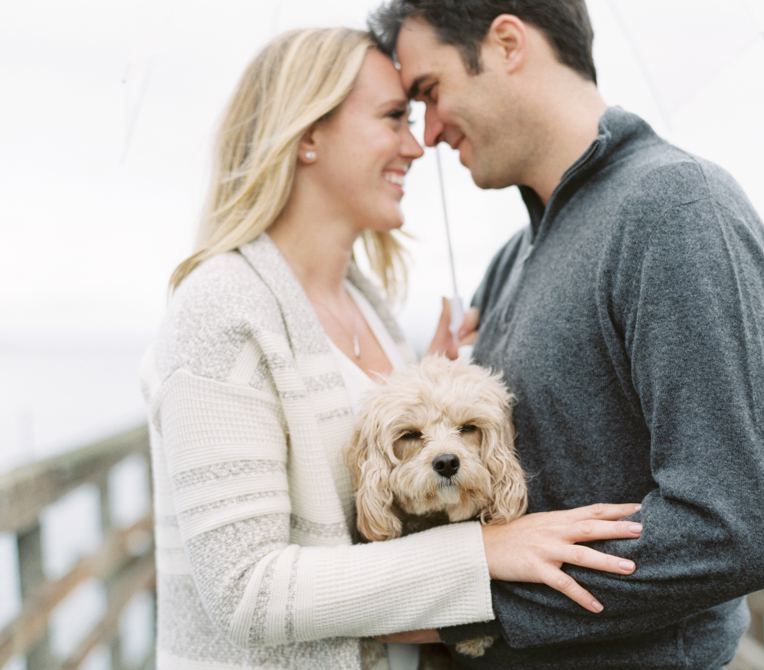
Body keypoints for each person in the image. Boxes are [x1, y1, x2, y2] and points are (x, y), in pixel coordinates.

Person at [140, 27, 643, 670]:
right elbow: (246, 592)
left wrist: (423, 378)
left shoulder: (367, 305)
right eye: (393, 118)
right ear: (309, 134)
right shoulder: (220, 311)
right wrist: (485, 554)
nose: (419, 143)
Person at [368, 1, 764, 668]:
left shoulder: (678, 209)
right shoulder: (511, 260)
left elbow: (732, 530)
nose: (428, 131)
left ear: (507, 43)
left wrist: (459, 608)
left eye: (431, 90)